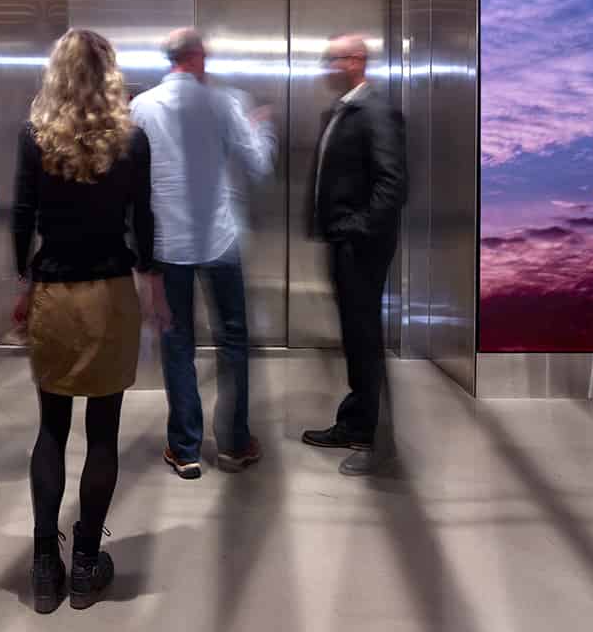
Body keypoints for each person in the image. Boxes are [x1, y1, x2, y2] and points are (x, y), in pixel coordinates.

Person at [13, 29, 169, 614]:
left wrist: (24, 285)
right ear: (109, 73)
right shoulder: (131, 140)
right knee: (103, 431)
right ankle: (85, 566)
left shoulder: (35, 137)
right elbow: (144, 220)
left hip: (54, 290)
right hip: (109, 295)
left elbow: (24, 215)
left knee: (51, 428)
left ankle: (43, 567)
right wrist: (154, 284)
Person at [130, 27, 276, 479]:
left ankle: (185, 448)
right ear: (196, 57)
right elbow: (259, 165)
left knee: (178, 342)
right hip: (220, 242)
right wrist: (261, 129)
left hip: (167, 243)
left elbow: (130, 181)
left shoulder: (141, 107)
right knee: (233, 341)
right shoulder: (225, 103)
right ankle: (233, 444)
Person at [300, 33, 406, 476]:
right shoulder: (345, 110)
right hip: (344, 241)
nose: (327, 67)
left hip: (360, 245)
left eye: (334, 59)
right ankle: (355, 421)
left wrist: (356, 230)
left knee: (364, 339)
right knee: (354, 336)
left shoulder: (376, 111)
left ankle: (374, 438)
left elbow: (392, 182)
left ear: (356, 61)